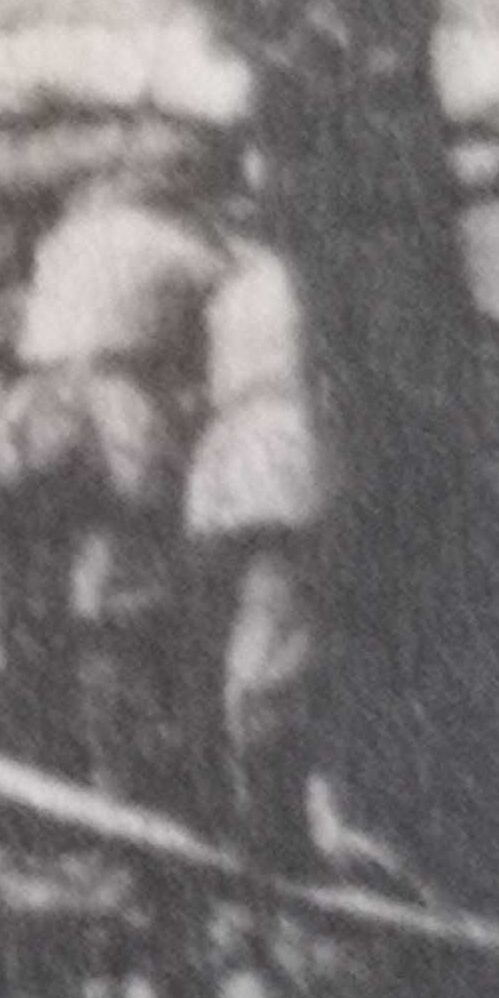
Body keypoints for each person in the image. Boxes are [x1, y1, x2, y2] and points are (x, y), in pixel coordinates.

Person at [0, 126, 231, 797]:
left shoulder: (66, 240)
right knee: (116, 597)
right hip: (114, 419)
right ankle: (114, 771)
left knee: (29, 583)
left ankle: (25, 742)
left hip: (28, 413)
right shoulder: (188, 254)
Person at [184, 231, 330, 867]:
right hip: (285, 452)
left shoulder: (236, 289)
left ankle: (235, 803)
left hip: (229, 453)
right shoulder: (315, 284)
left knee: (245, 629)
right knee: (277, 634)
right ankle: (273, 828)